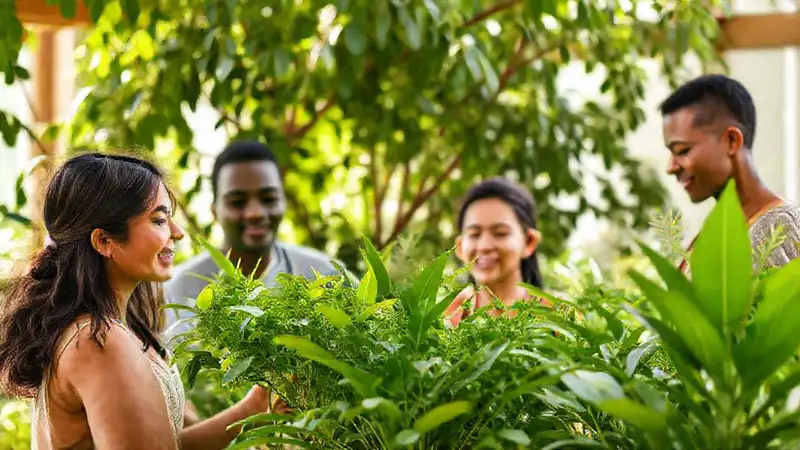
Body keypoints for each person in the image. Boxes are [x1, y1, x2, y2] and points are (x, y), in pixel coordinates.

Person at [0, 152, 274, 449]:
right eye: (159, 220)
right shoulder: (99, 341)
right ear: (104, 241)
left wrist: (256, 407)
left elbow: (166, 443)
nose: (178, 233)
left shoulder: (110, 329)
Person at [164, 140, 346, 335]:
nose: (255, 213)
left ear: (283, 202)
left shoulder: (324, 276)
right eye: (238, 202)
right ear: (214, 210)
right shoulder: (177, 290)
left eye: (268, 199)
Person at [660, 74, 800, 272]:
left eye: (683, 150)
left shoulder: (779, 228)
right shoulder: (707, 238)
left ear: (732, 141)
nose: (671, 167)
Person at [444, 177, 548, 328]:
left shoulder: (559, 316)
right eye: (474, 234)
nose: (484, 246)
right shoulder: (447, 317)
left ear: (528, 242)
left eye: (500, 233)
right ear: (459, 247)